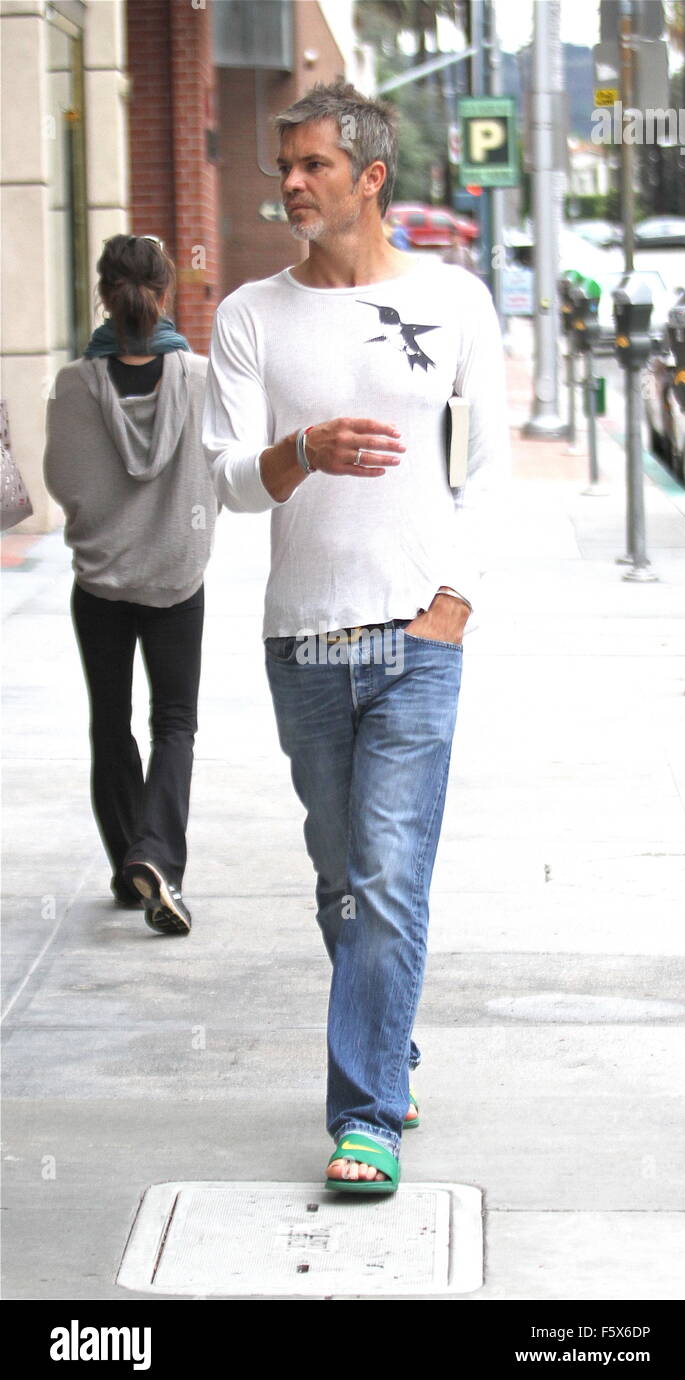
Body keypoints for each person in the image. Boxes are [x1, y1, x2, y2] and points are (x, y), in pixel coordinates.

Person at [202, 81, 509, 1193]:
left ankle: (365, 1111)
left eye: (313, 165)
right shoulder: (247, 316)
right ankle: (389, 1042)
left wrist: (455, 598)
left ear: (369, 177)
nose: (289, 182)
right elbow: (230, 482)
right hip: (306, 642)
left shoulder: (456, 300)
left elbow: (484, 467)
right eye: (283, 164)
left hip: (418, 635)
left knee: (387, 879)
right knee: (340, 878)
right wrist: (303, 451)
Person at [44, 233, 217, 935]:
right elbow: (223, 472)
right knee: (174, 723)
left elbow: (64, 481)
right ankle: (157, 861)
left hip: (102, 582)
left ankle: (129, 868)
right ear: (165, 293)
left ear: (103, 296)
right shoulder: (201, 380)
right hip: (177, 575)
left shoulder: (74, 384)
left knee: (110, 723)